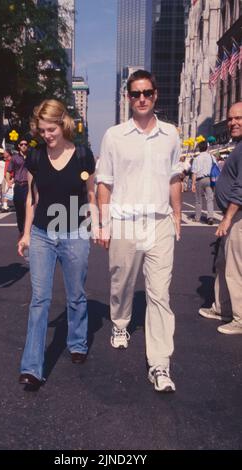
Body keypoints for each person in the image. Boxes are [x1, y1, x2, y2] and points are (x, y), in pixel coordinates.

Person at [96, 69, 182, 392]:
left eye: (147, 93)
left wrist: (177, 216)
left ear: (156, 95)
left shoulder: (171, 134)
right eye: (136, 94)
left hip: (159, 221)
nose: (142, 99)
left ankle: (160, 364)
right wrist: (103, 222)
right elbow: (104, 181)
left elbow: (175, 178)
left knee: (160, 294)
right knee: (121, 281)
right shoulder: (114, 136)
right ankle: (120, 323)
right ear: (128, 98)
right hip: (124, 220)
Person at [18, 99, 96, 387]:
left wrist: (97, 225)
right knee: (40, 300)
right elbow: (32, 198)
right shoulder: (35, 157)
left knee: (76, 295)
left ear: (63, 124)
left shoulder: (84, 156)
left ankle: (77, 342)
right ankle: (31, 367)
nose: (46, 135)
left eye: (50, 129)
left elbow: (91, 195)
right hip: (41, 235)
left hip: (75, 233)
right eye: (42, 131)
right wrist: (25, 234)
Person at [198, 102, 242, 335]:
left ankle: (239, 317)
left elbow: (241, 188)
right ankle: (222, 308)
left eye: (239, 118)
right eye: (230, 119)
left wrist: (227, 219)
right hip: (232, 215)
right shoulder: (238, 146)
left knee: (236, 268)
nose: (233, 122)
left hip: (238, 217)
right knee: (223, 263)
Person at [6, 137, 29, 238]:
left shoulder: (31, 156)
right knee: (20, 210)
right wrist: (8, 182)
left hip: (29, 186)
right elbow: (8, 171)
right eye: (22, 144)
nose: (24, 146)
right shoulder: (15, 158)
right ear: (19, 146)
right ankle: (21, 230)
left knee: (30, 208)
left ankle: (29, 230)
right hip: (19, 186)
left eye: (25, 144)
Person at [191, 140, 214, 224]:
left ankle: (197, 217)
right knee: (210, 199)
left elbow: (194, 172)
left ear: (199, 148)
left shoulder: (197, 158)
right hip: (209, 179)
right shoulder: (211, 157)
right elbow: (215, 167)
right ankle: (210, 217)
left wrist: (193, 184)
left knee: (198, 200)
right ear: (207, 147)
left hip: (199, 179)